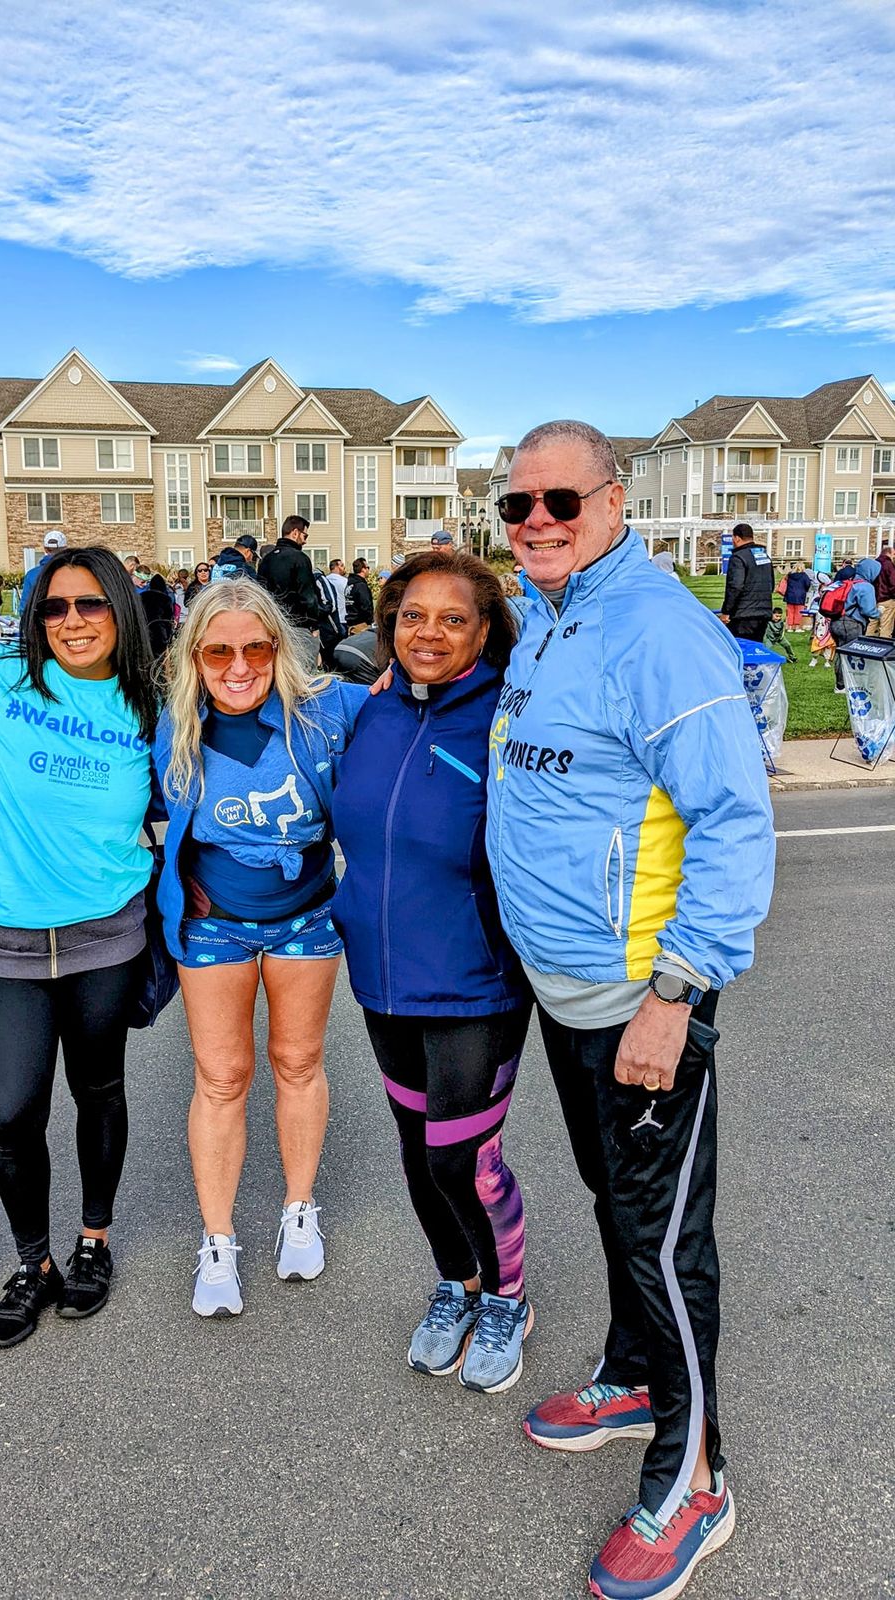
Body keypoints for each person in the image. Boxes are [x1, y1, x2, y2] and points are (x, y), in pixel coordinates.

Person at [488, 421, 774, 1600]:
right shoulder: (550, 617)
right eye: (518, 504)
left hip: (640, 999)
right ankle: (634, 1369)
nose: (538, 519)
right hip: (567, 987)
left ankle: (695, 1477)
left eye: (561, 499)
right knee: (617, 1202)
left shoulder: (656, 627)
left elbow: (735, 819)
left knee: (663, 1238)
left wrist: (676, 993)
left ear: (612, 501)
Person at [0, 547, 161, 1348]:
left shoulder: (151, 702)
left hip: (109, 937)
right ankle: (33, 1264)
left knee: (100, 1091)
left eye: (92, 605)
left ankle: (92, 1241)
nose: (73, 621)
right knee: (12, 1114)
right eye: (56, 607)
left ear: (120, 612)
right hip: (7, 945)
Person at [333, 552, 534, 1394]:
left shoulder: (510, 717)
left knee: (462, 1158)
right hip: (381, 978)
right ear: (388, 626)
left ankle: (508, 1300)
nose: (429, 633)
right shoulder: (367, 710)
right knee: (418, 1154)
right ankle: (459, 1281)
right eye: (413, 616)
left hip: (475, 980)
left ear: (485, 633)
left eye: (454, 619)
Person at [153, 580, 366, 1318]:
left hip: (307, 916)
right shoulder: (173, 726)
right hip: (214, 924)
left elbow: (418, 706)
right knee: (222, 1076)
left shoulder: (330, 711)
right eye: (218, 651)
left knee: (299, 1061)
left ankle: (298, 1207)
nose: (238, 666)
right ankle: (218, 1243)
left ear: (279, 648)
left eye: (255, 647)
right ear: (195, 657)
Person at [257, 514, 323, 671]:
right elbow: (308, 595)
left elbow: (260, 593)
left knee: (280, 671)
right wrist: (314, 625)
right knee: (305, 672)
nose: (305, 540)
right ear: (295, 532)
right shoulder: (299, 558)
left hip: (273, 625)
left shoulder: (267, 560)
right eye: (304, 535)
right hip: (299, 626)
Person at [828, 557, 881, 692]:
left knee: (841, 653)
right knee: (851, 655)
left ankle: (840, 684)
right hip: (851, 624)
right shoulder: (865, 586)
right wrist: (879, 612)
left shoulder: (846, 582)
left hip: (835, 622)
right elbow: (869, 610)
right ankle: (846, 684)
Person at [717, 523, 773, 641]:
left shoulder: (738, 557)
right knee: (756, 650)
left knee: (738, 649)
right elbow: (771, 584)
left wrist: (726, 611)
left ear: (737, 538)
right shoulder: (764, 556)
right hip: (763, 613)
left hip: (742, 615)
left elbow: (735, 586)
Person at [19, 530, 66, 611]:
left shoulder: (31, 575)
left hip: (39, 620)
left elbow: (24, 608)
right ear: (64, 549)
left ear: (45, 549)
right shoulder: (73, 572)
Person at [141, 570, 177, 658]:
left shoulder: (142, 596)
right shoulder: (166, 599)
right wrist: (168, 638)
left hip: (144, 631)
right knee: (159, 659)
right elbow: (168, 619)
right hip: (160, 632)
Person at [781, 562, 812, 631]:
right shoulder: (804, 576)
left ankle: (789, 627)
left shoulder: (789, 575)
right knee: (799, 612)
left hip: (790, 595)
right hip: (800, 595)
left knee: (790, 612)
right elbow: (808, 585)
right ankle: (797, 627)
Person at [345, 557, 374, 629]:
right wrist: (370, 621)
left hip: (350, 623)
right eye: (368, 567)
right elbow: (365, 606)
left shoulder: (350, 584)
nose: (368, 570)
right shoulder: (361, 586)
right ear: (363, 569)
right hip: (361, 624)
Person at [874, 544, 895, 640]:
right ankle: (884, 650)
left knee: (873, 625)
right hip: (887, 599)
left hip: (874, 599)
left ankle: (867, 647)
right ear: (889, 553)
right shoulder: (888, 564)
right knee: (886, 627)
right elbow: (893, 582)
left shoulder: (875, 564)